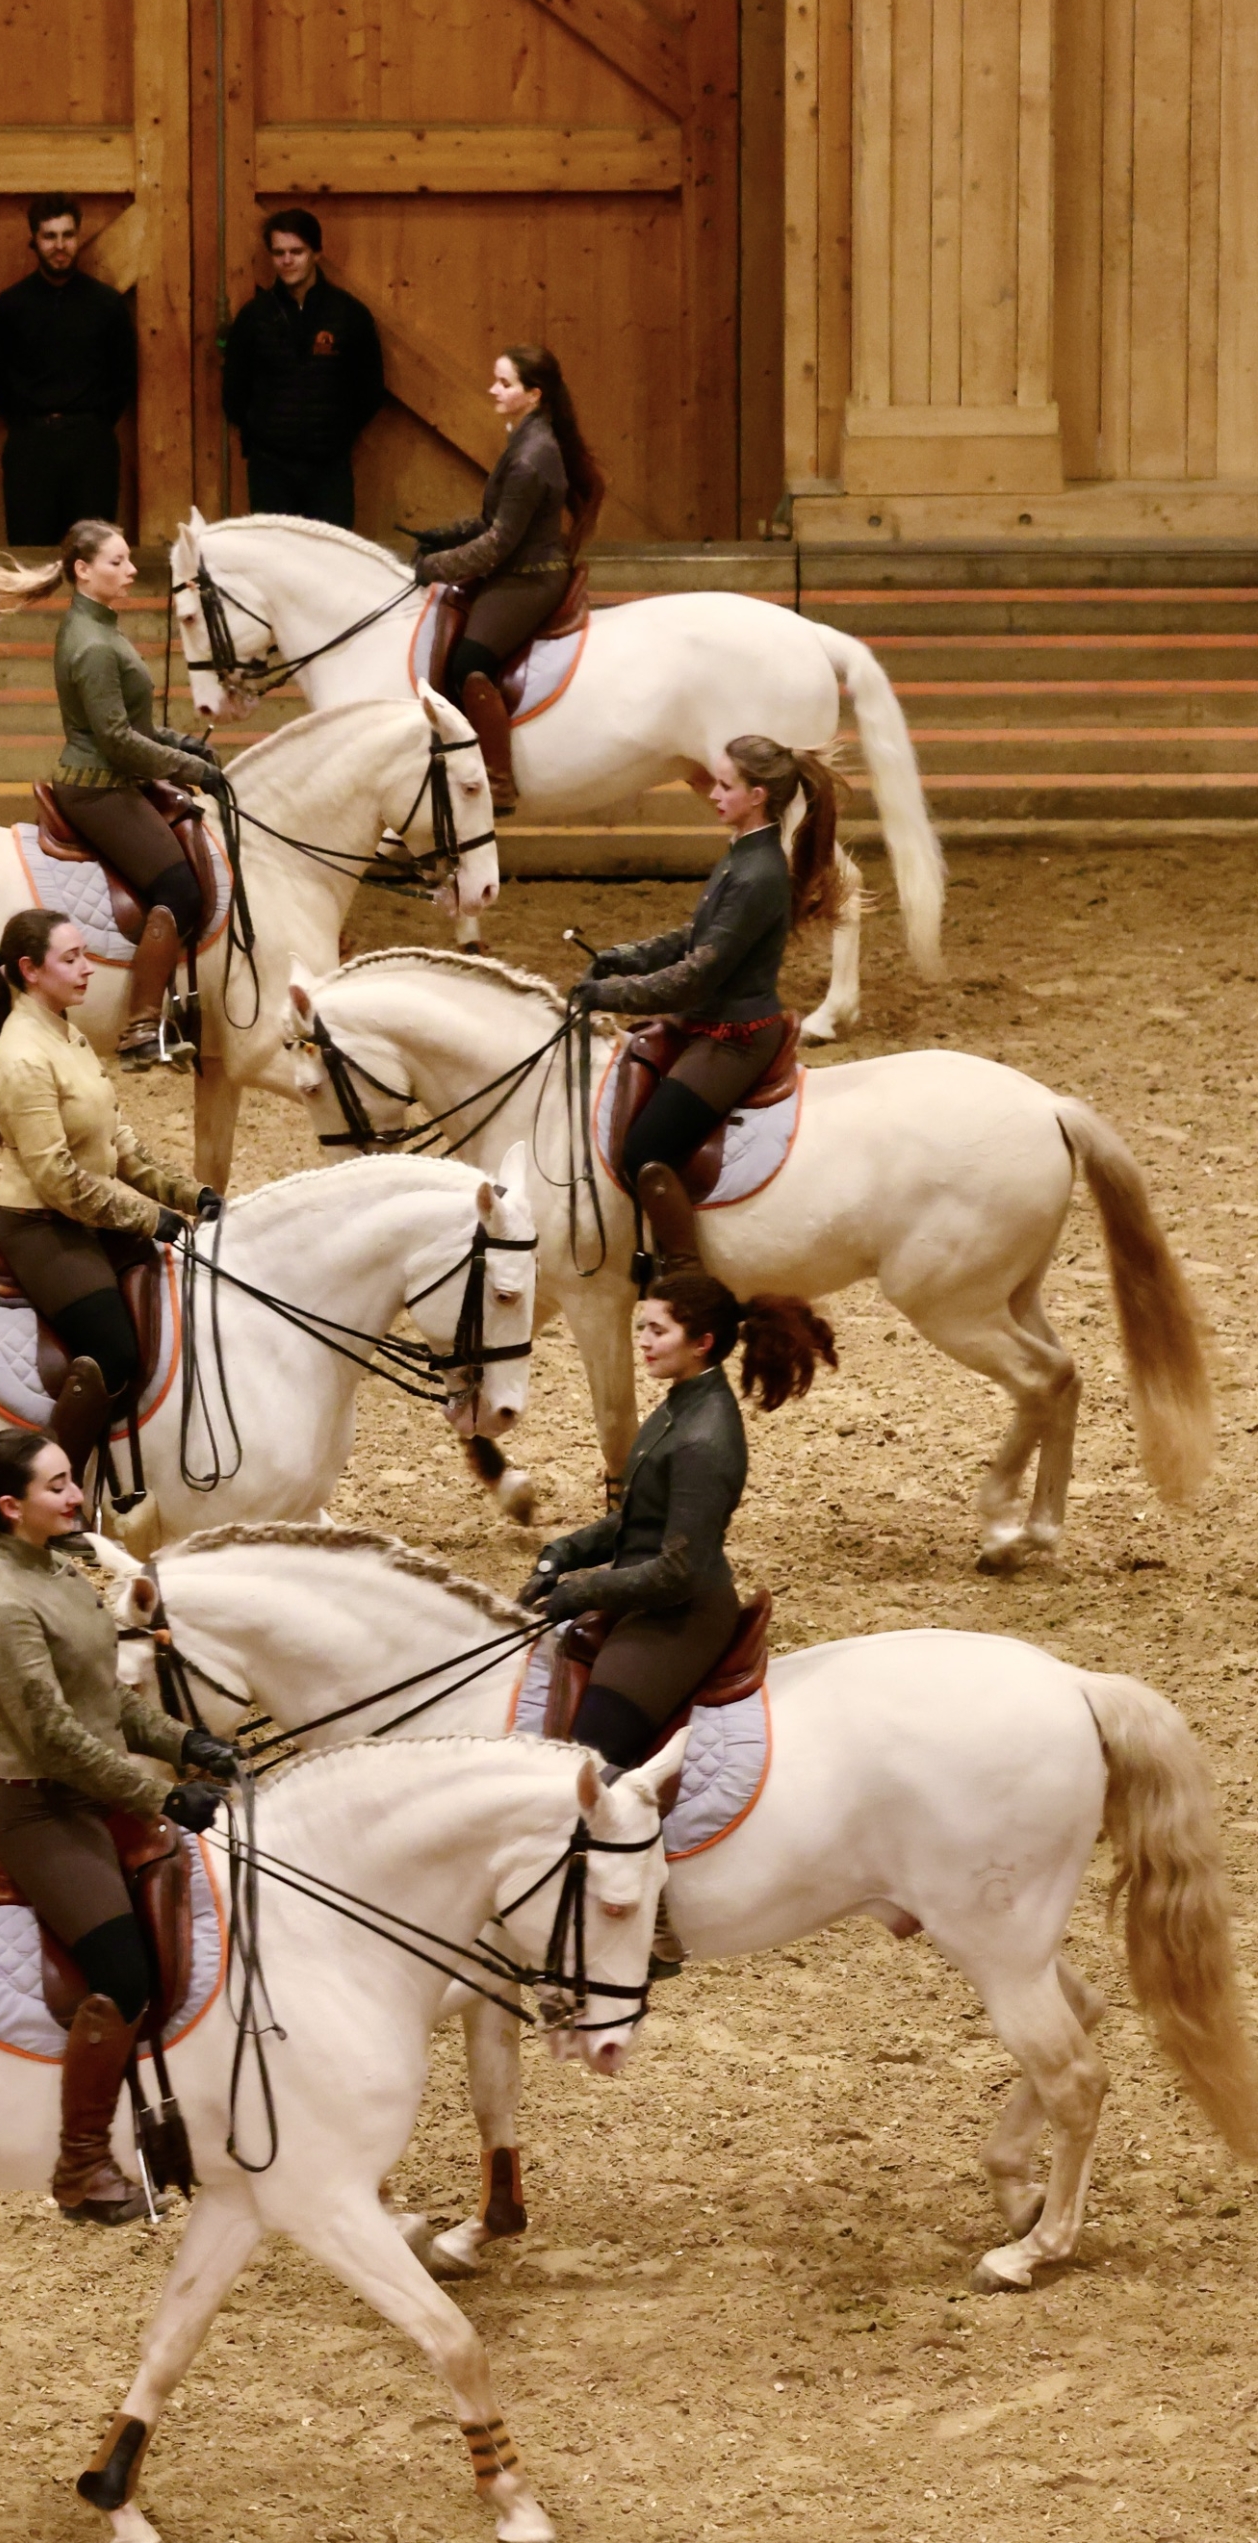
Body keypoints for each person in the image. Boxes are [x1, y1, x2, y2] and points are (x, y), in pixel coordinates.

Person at [0, 1425, 242, 2221]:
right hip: (42, 1805)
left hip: (90, 1787)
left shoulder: (61, 1569)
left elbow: (106, 1704)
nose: (75, 1495)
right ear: (11, 1506)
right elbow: (55, 1738)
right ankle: (82, 2164)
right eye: (57, 1485)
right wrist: (160, 1797)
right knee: (123, 1973)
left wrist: (186, 1743)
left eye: (71, 1480)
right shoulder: (2, 1601)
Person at [0, 905, 219, 1477]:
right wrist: (148, 1218)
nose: (88, 968)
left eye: (85, 955)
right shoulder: (23, 1056)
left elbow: (119, 1145)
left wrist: (190, 1195)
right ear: (30, 970)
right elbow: (58, 1180)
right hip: (41, 1225)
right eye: (71, 959)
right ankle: (49, 1487)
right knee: (113, 1351)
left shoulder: (67, 1034)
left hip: (86, 1214)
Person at [518, 1269, 834, 1770]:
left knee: (586, 1760)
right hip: (645, 1597)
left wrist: (584, 1591)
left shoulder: (703, 1438)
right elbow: (643, 1515)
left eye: (657, 1331)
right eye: (642, 1327)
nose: (642, 1342)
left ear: (701, 1343)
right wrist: (563, 1552)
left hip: (680, 1617)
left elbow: (678, 1571)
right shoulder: (681, 1404)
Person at [574, 736, 843, 1267]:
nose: (713, 794)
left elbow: (696, 978)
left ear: (757, 796)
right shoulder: (743, 853)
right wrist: (625, 957)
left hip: (735, 1037)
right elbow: (698, 937)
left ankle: (684, 1273)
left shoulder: (758, 873)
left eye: (725, 785)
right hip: (710, 1023)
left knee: (645, 1149)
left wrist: (609, 995)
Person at [0, 521, 227, 1065]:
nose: (130, 571)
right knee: (179, 891)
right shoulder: (92, 642)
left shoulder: (99, 626)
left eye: (128, 559)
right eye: (117, 562)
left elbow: (133, 725)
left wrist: (183, 745)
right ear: (83, 570)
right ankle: (141, 1026)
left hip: (114, 776)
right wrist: (191, 769)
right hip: (99, 787)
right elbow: (117, 741)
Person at [411, 344, 605, 815]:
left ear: (533, 394)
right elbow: (492, 521)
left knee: (469, 664)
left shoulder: (531, 455)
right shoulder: (526, 438)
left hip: (530, 577)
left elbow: (498, 543)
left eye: (504, 383)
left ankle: (498, 780)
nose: (493, 389)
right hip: (518, 567)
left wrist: (434, 567)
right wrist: (443, 536)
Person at [0, 194, 136, 546]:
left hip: (90, 446)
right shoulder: (11, 306)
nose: (59, 246)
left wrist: (92, 423)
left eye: (68, 235)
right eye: (49, 236)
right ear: (35, 241)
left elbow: (124, 376)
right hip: (31, 445)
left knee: (94, 555)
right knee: (30, 554)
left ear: (78, 237)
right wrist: (29, 423)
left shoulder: (106, 304)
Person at [222, 208, 384, 528]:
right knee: (274, 553)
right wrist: (260, 435)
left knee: (331, 551)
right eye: (278, 252)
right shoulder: (254, 317)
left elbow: (370, 387)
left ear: (316, 253)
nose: (287, 260)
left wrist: (337, 435)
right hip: (270, 467)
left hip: (329, 467)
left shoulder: (349, 314)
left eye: (297, 251)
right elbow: (234, 391)